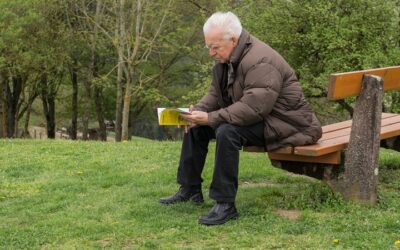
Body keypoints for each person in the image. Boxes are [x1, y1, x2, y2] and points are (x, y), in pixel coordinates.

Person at [159, 11, 322, 226]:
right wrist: (198, 112)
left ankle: (225, 204)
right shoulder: (227, 58)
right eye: (208, 46)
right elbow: (216, 95)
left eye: (215, 47)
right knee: (196, 126)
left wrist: (210, 117)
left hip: (288, 125)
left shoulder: (260, 60)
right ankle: (190, 189)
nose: (211, 53)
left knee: (227, 131)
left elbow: (254, 108)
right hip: (264, 119)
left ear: (234, 40)